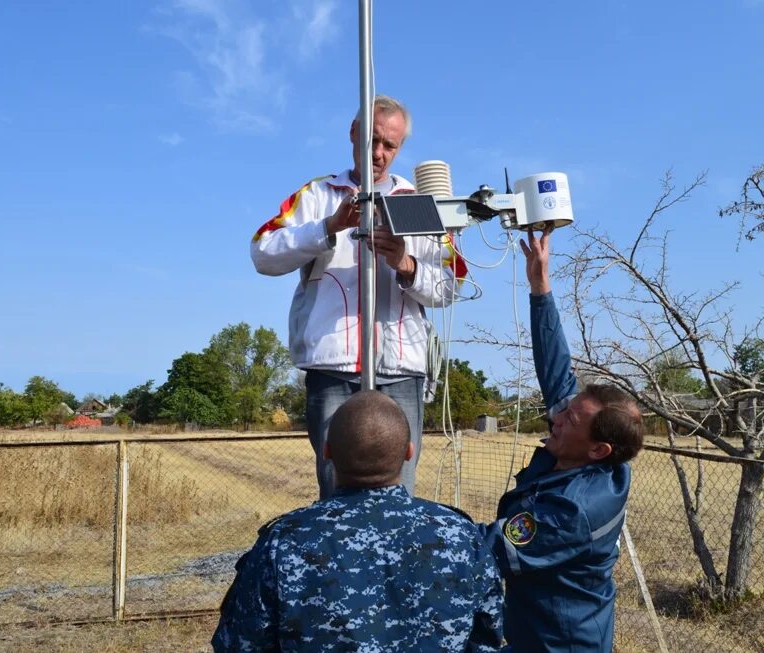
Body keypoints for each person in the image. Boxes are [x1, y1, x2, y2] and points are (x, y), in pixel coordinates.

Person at [251, 94, 466, 500]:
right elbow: (263, 252)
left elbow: (450, 285)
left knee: (398, 489)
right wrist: (327, 228)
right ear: (353, 133)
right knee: (336, 484)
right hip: (332, 369)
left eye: (390, 145)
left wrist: (407, 265)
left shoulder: (415, 202)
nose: (380, 154)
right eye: (373, 140)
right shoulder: (320, 195)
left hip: (402, 370)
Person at [212, 390, 504, 652]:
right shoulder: (461, 536)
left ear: (326, 451)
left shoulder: (283, 543)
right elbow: (487, 637)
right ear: (409, 452)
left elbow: (240, 643)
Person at [480, 228, 645, 653]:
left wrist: (407, 524)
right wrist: (540, 286)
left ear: (598, 450)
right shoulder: (595, 454)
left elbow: (490, 548)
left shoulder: (573, 511)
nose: (556, 417)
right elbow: (557, 370)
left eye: (569, 418)